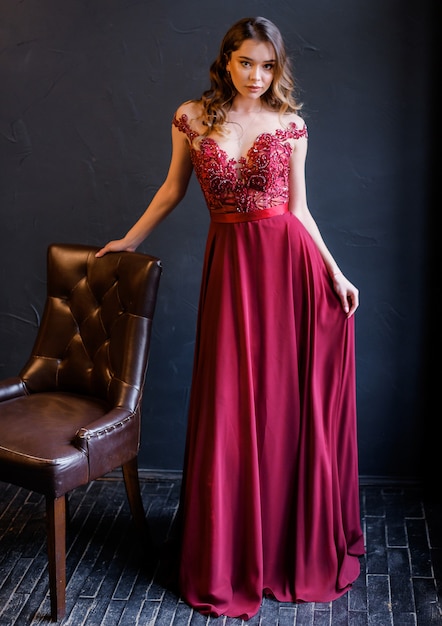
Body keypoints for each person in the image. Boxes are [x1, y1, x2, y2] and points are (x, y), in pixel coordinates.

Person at [96, 15, 364, 620]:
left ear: (278, 67)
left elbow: (300, 212)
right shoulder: (192, 117)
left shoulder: (291, 125)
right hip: (231, 272)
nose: (257, 75)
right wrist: (129, 241)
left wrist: (336, 273)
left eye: (268, 65)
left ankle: (277, 545)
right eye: (247, 62)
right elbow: (171, 190)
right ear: (227, 60)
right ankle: (229, 551)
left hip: (285, 270)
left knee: (279, 406)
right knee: (231, 403)